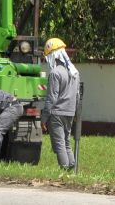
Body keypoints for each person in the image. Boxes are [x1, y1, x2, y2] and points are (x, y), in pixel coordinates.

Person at [41, 37, 80, 170]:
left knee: (59, 143)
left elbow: (51, 98)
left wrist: (44, 118)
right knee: (66, 142)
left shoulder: (55, 73)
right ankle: (71, 170)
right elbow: (77, 95)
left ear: (52, 56)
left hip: (57, 113)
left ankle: (64, 170)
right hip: (70, 112)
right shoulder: (74, 72)